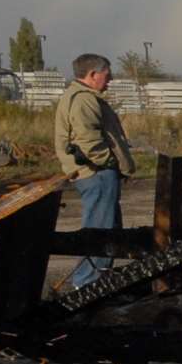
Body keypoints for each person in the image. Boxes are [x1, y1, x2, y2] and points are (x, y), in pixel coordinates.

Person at [53, 53, 135, 290]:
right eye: (106, 75)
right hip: (96, 173)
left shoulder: (79, 97)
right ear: (92, 75)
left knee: (107, 226)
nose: (109, 81)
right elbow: (89, 141)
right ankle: (88, 283)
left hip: (94, 172)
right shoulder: (83, 100)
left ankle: (99, 278)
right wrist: (110, 163)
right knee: (100, 228)